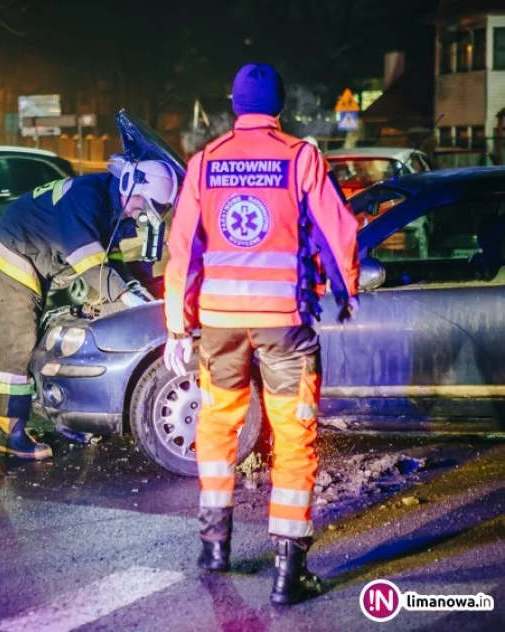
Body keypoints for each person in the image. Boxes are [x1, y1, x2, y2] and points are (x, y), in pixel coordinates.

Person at [162, 63, 359, 605]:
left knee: (217, 426)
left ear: (234, 105)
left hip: (219, 323)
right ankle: (287, 574)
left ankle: (214, 548)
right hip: (283, 323)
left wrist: (178, 326)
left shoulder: (204, 162)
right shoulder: (300, 158)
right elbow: (339, 230)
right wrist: (347, 288)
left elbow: (182, 251)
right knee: (293, 436)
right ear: (280, 107)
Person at [0, 160, 178, 459]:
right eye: (142, 205)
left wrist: (136, 288)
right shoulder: (87, 198)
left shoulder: (113, 205)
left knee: (12, 341)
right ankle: (12, 435)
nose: (139, 214)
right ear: (130, 184)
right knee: (19, 342)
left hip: (31, 251)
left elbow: (112, 261)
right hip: (15, 250)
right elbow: (90, 264)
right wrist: (125, 296)